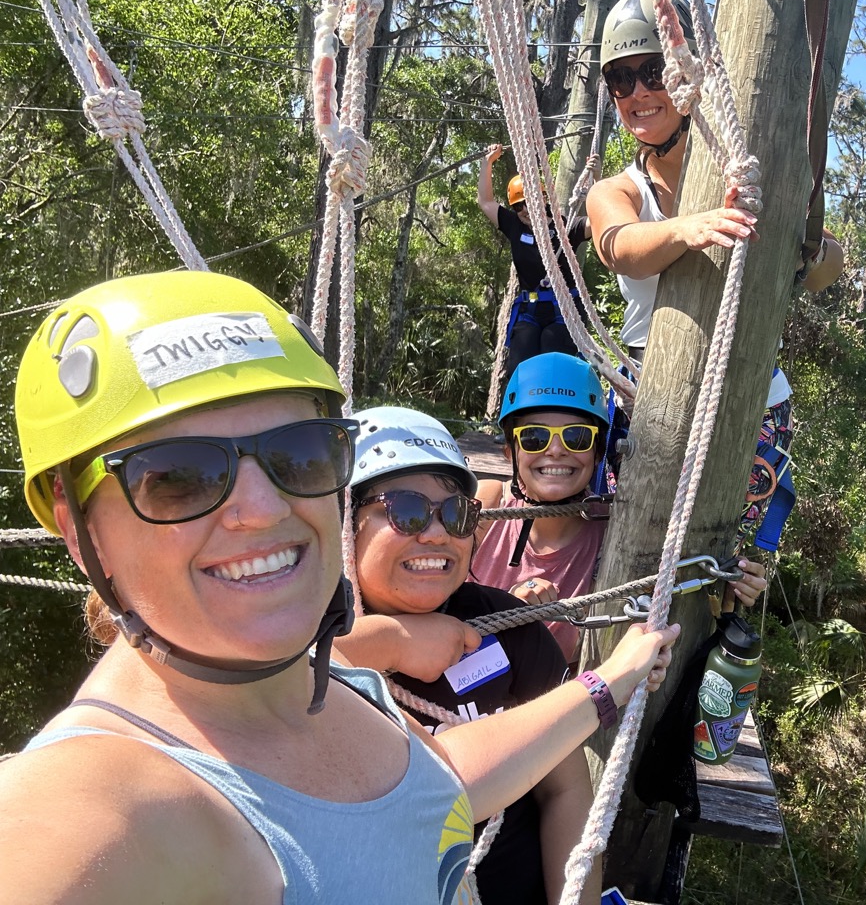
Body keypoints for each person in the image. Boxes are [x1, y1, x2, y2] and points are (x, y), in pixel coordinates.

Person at [0, 270, 678, 905]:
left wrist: (612, 678)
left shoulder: (340, 688)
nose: (263, 509)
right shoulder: (92, 804)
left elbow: (441, 789)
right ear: (77, 527)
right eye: (177, 476)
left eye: (300, 453)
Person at [587, 0, 846, 552]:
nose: (637, 93)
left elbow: (828, 266)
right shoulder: (617, 190)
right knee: (631, 558)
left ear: (686, 72)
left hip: (749, 394)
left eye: (653, 71)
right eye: (620, 80)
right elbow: (618, 245)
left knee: (730, 565)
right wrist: (686, 228)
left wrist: (793, 241)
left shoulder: (755, 171)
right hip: (647, 395)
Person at [336, 405, 598, 905]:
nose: (437, 533)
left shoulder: (507, 627)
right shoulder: (300, 641)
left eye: (456, 513)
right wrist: (388, 640)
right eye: (406, 510)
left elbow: (565, 791)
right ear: (346, 522)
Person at [472, 352, 770, 664]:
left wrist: (731, 585)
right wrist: (503, 608)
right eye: (534, 437)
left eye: (577, 437)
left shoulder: (619, 533)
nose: (556, 450)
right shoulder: (488, 505)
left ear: (598, 453)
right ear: (510, 452)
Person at [479, 143, 592, 379]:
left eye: (528, 202)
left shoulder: (564, 226)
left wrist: (598, 181)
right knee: (520, 366)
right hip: (530, 309)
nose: (524, 209)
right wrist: (487, 163)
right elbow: (486, 202)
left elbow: (597, 222)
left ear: (542, 198)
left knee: (553, 358)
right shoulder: (514, 226)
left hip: (564, 310)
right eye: (518, 205)